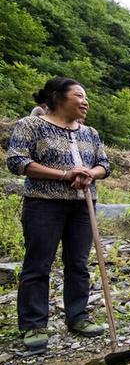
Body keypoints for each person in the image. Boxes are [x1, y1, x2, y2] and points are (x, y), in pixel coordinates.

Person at [7, 77, 111, 350]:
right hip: (44, 204)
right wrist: (65, 174)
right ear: (57, 97)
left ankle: (77, 316)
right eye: (79, 95)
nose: (85, 101)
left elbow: (104, 164)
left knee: (78, 264)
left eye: (86, 96)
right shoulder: (31, 125)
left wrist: (90, 173)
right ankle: (33, 324)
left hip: (82, 205)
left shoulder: (91, 133)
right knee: (38, 264)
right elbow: (17, 161)